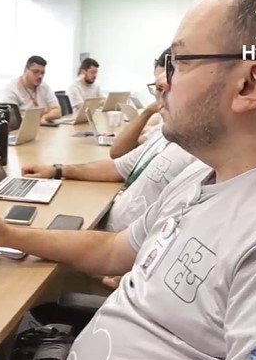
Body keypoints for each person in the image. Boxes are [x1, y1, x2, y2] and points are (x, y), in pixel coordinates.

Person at [0, 0, 256, 360]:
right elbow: (113, 251)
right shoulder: (205, 173)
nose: (163, 83)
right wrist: (10, 236)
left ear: (249, 84)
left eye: (178, 61)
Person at [23, 49, 195, 234]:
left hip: (115, 242)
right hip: (107, 228)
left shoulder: (195, 153)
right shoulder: (163, 133)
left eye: (164, 87)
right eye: (157, 87)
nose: (159, 96)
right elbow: (117, 164)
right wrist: (56, 170)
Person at [108, 49, 169, 159]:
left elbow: (117, 153)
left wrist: (147, 112)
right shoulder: (164, 121)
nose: (157, 94)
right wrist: (148, 113)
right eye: (157, 86)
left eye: (162, 86)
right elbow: (119, 152)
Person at [0, 56, 61, 123]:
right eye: (35, 72)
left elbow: (57, 112)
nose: (40, 76)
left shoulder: (44, 86)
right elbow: (14, 121)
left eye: (42, 73)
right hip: (20, 131)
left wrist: (43, 117)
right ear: (25, 70)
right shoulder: (11, 90)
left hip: (42, 128)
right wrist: (45, 112)